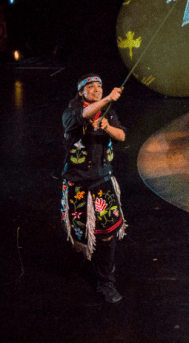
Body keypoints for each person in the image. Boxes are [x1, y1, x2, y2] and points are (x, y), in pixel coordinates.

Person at [61, 74, 127, 303]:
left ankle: (106, 281)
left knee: (109, 233)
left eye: (100, 86)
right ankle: (93, 267)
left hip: (102, 181)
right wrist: (108, 98)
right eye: (91, 87)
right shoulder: (70, 114)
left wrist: (107, 127)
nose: (97, 89)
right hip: (78, 182)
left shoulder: (108, 112)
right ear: (81, 92)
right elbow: (82, 116)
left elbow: (122, 135)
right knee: (82, 237)